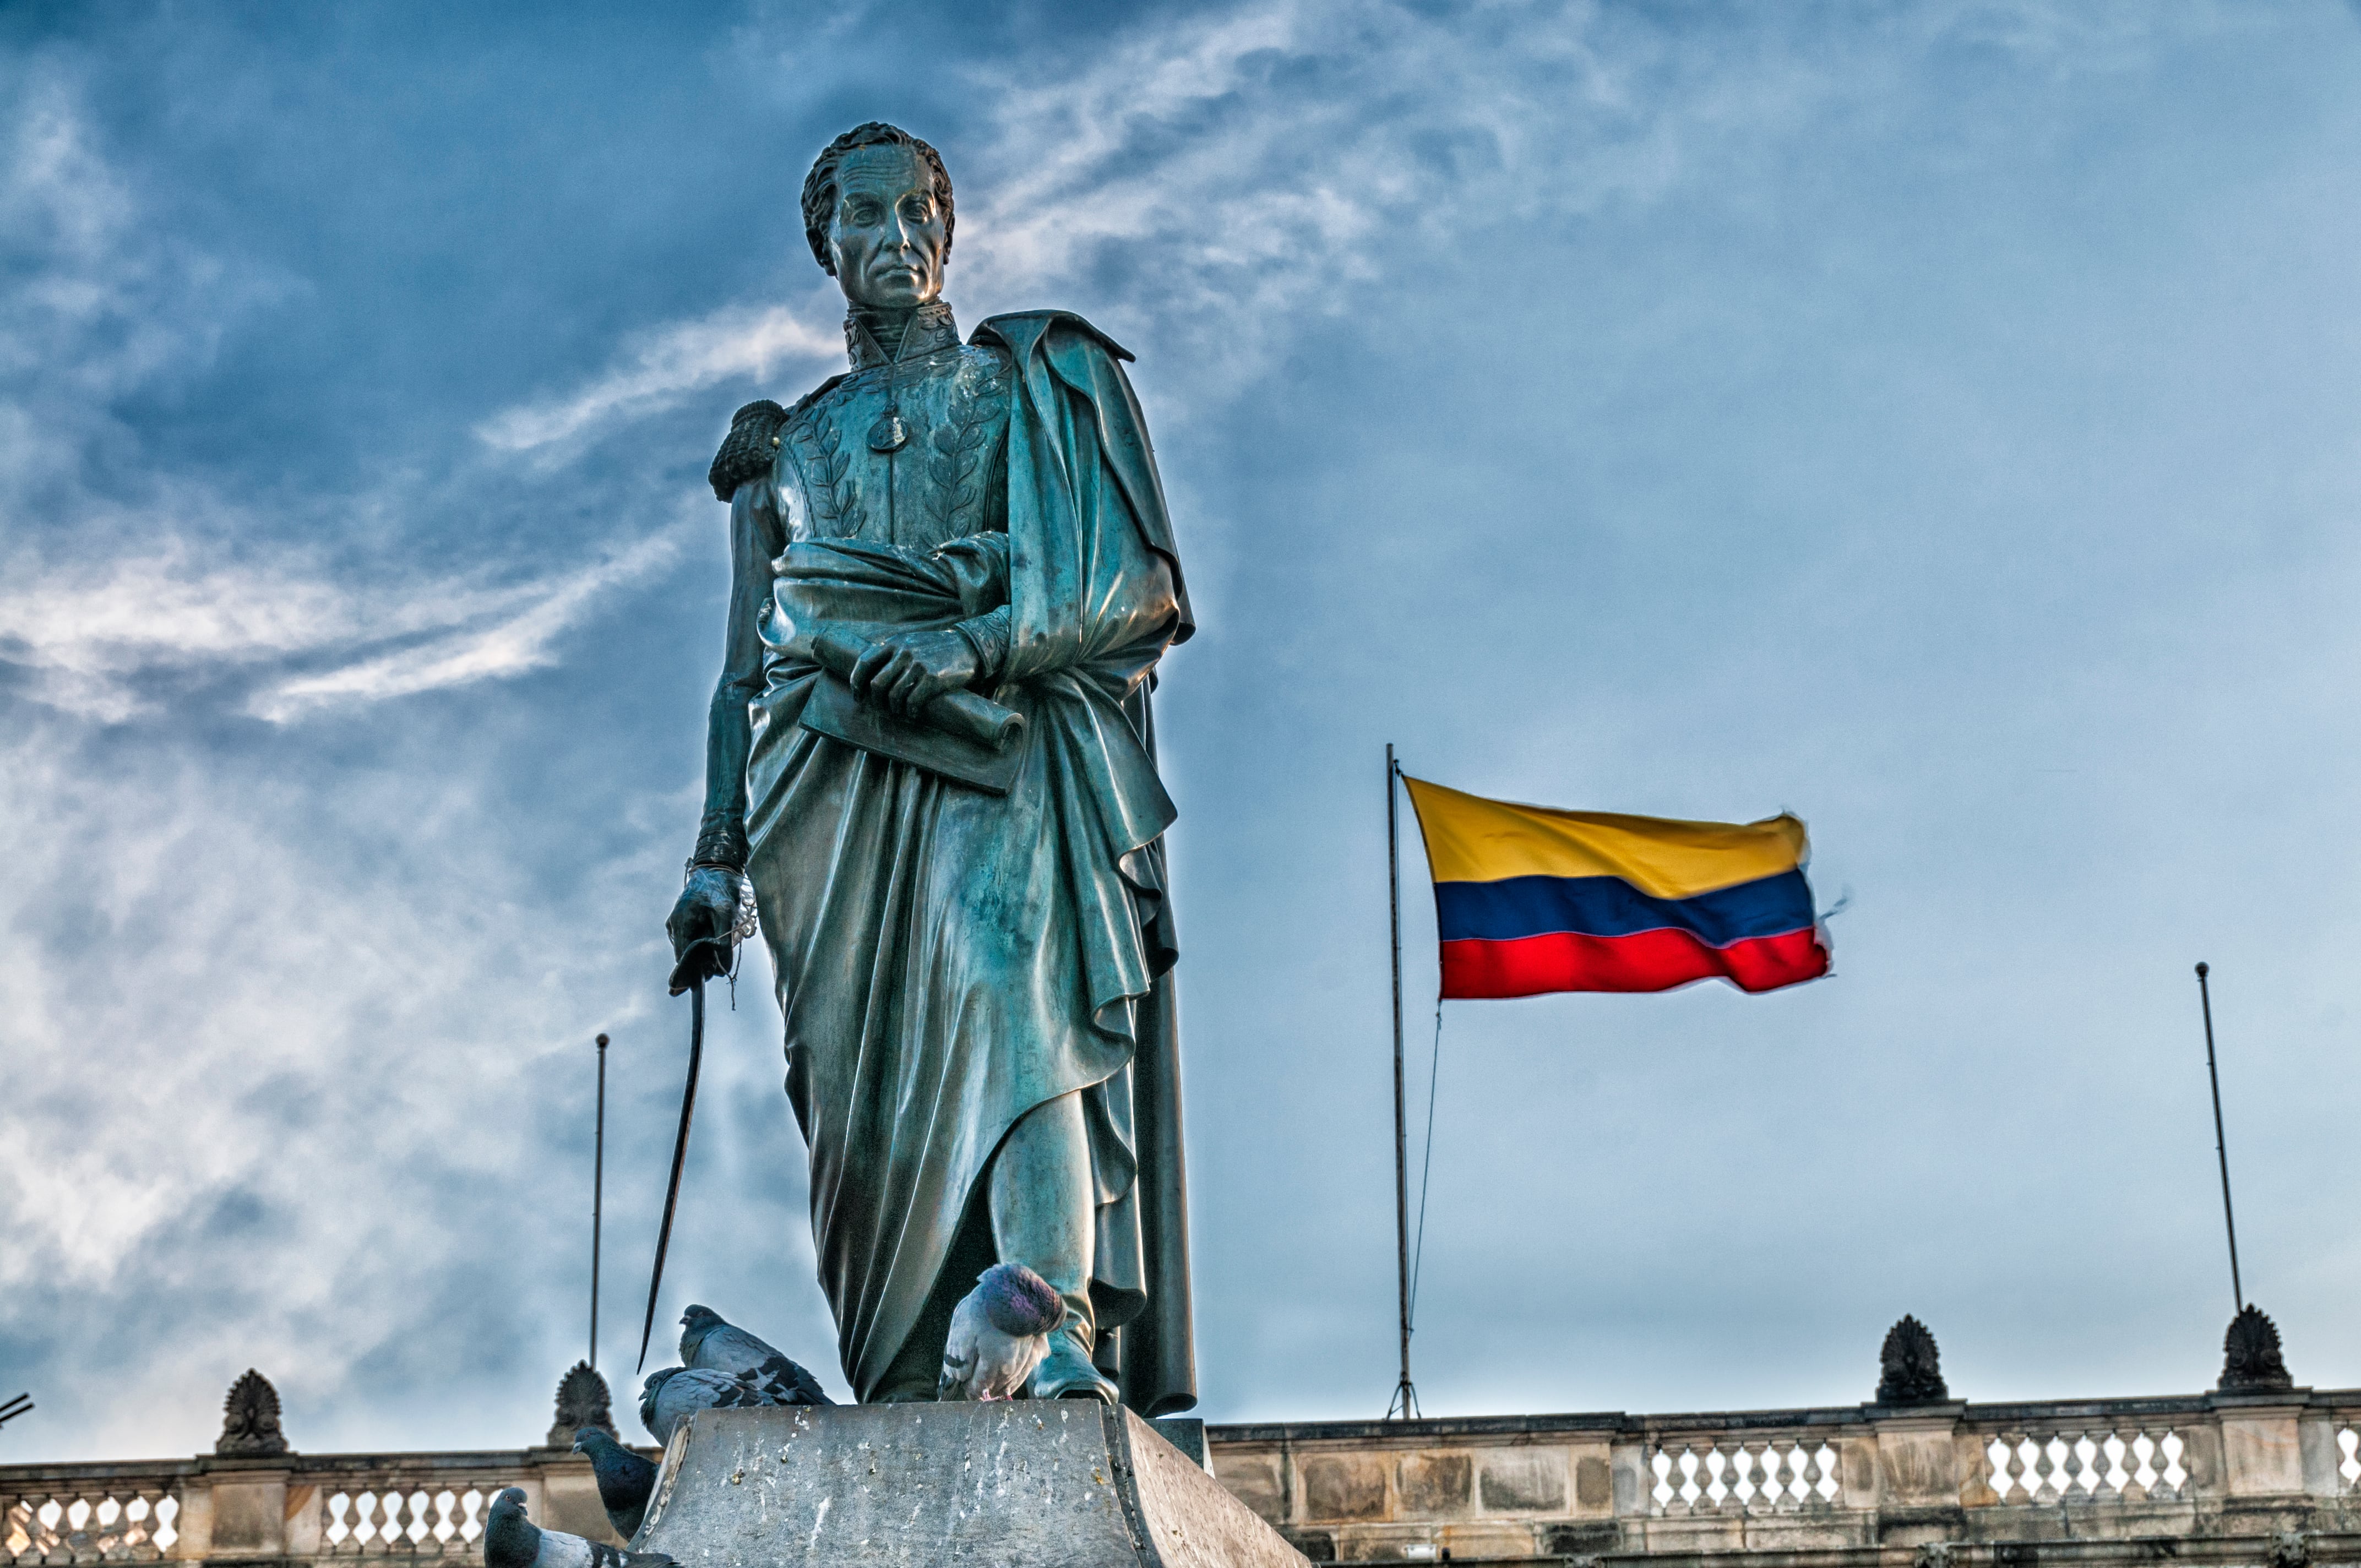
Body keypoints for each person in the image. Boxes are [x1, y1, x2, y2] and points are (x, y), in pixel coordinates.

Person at [665, 122, 1195, 1411]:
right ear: (823, 245)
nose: (895, 240)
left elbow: (1136, 586)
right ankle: (911, 1374)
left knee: (1017, 995)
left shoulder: (1034, 384)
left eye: (918, 214)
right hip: (827, 799)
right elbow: (748, 668)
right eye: (864, 218)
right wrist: (711, 858)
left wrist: (972, 644)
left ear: (949, 230)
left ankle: (1050, 1322)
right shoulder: (780, 453)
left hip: (999, 742)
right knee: (864, 1115)